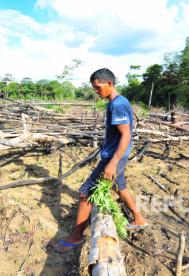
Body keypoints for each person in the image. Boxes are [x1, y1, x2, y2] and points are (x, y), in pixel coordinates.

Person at [54, 68, 147, 253]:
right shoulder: (116, 102)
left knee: (86, 193)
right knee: (120, 187)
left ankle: (76, 236)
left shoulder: (118, 104)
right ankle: (139, 219)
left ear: (109, 83)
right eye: (94, 89)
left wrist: (112, 163)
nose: (96, 91)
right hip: (116, 156)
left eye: (98, 87)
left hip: (114, 159)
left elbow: (126, 135)